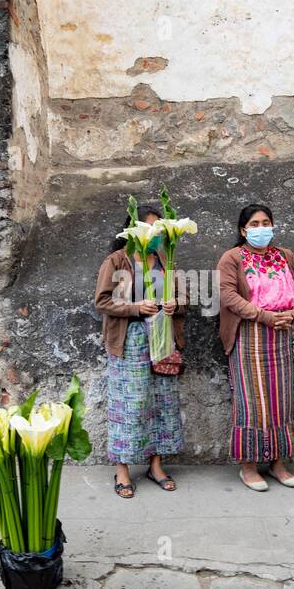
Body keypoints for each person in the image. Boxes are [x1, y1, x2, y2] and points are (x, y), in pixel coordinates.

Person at [216, 203, 294, 492]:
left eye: (265, 222)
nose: (261, 228)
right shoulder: (231, 258)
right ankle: (249, 466)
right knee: (253, 401)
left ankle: (279, 463)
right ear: (243, 230)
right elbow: (228, 295)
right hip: (249, 336)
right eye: (254, 224)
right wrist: (266, 317)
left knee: (284, 399)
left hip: (284, 336)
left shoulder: (286, 256)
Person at [94, 203, 186, 498]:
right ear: (134, 230)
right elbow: (102, 301)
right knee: (129, 405)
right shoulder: (117, 261)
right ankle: (122, 469)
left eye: (159, 228)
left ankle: (155, 465)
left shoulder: (163, 258)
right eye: (149, 227)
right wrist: (135, 308)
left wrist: (175, 303)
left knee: (162, 403)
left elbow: (182, 296)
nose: (155, 233)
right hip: (130, 341)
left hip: (161, 339)